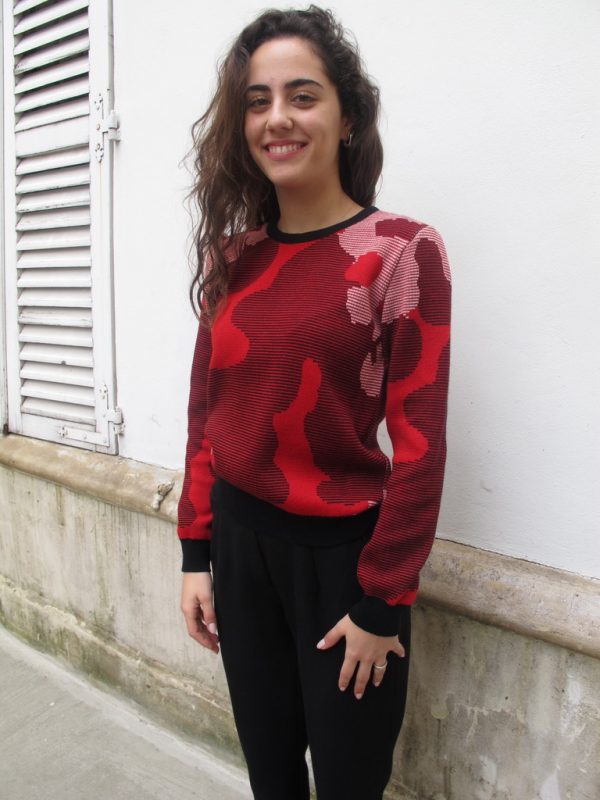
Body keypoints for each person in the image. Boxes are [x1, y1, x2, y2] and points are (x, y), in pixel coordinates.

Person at [177, 6, 451, 799]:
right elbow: (207, 414)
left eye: (303, 96)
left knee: (348, 782)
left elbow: (420, 443)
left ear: (348, 115)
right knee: (270, 776)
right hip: (239, 549)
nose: (278, 119)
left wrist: (382, 601)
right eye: (257, 101)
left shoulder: (400, 251)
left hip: (343, 568)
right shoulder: (232, 255)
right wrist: (196, 555)